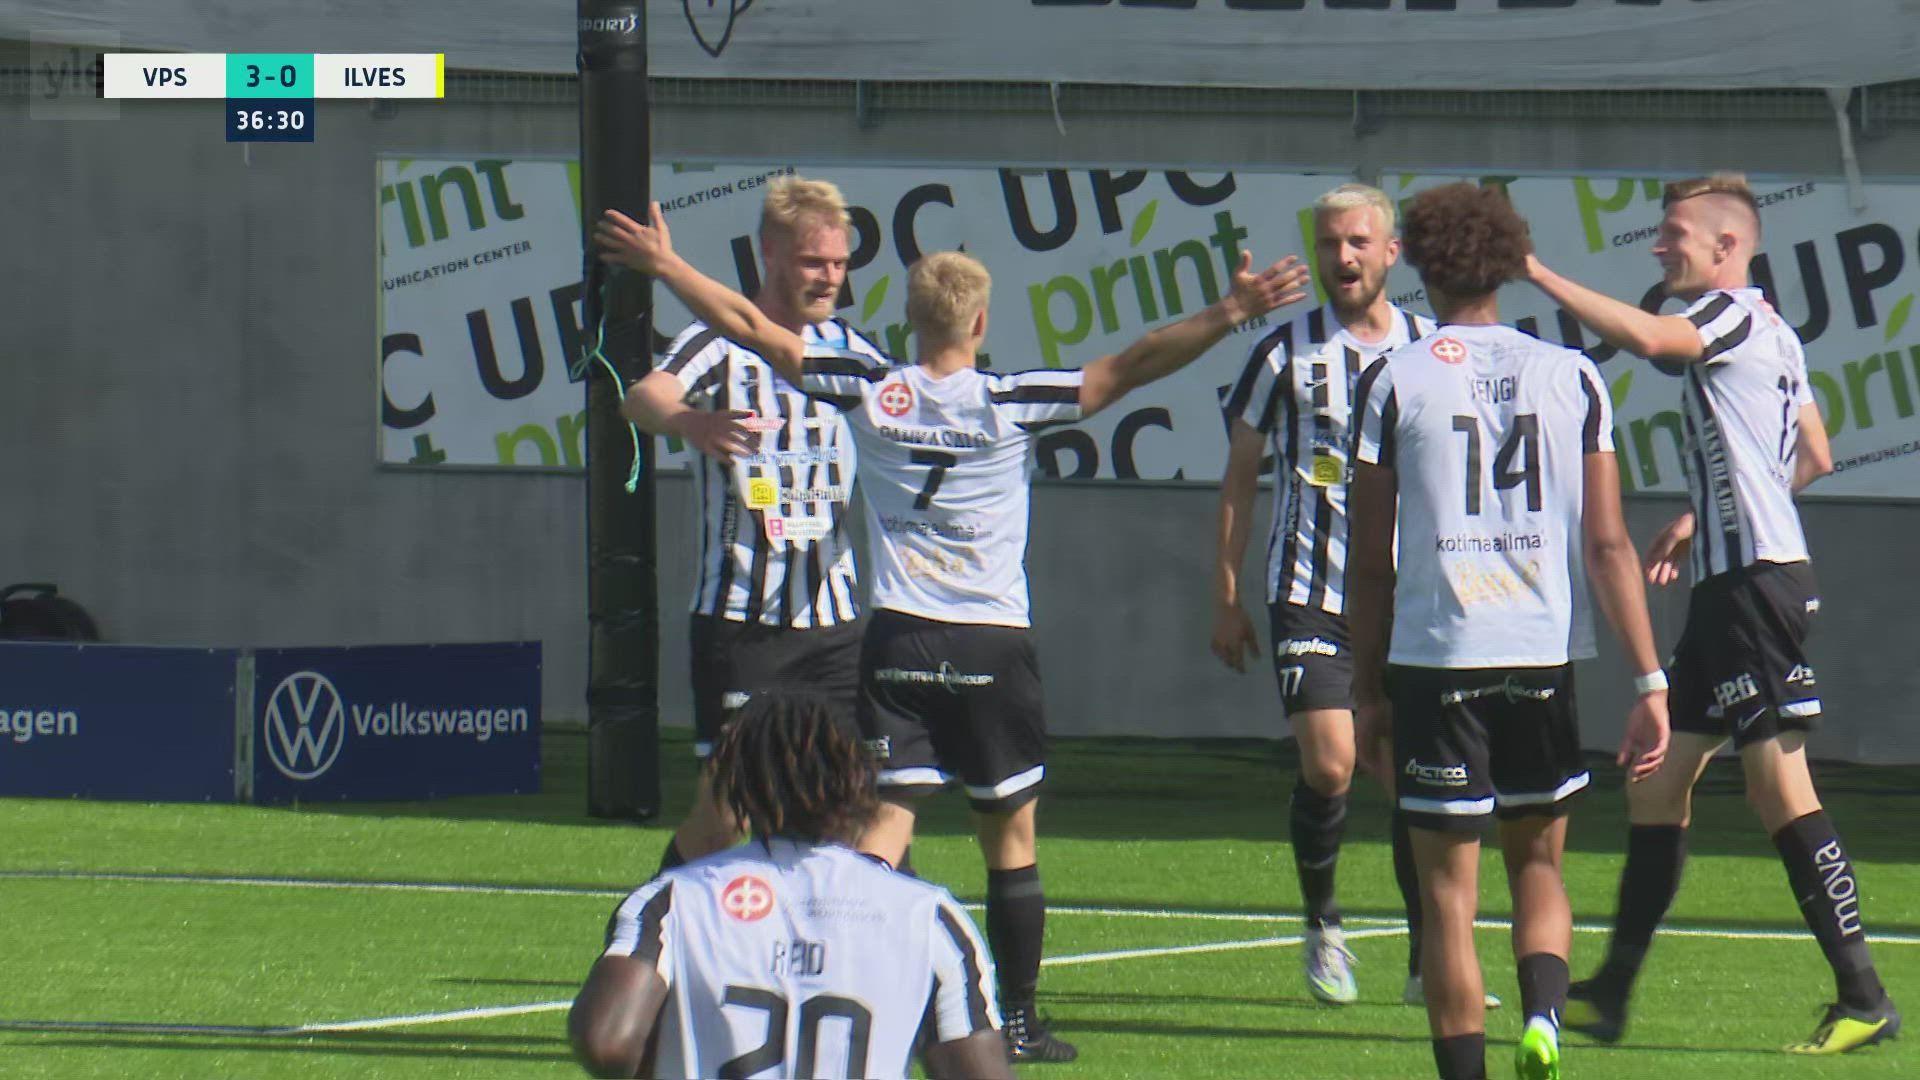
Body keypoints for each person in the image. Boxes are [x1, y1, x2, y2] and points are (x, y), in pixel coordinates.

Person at [597, 202, 1308, 1063]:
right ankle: (1017, 1021)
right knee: (1007, 834)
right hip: (987, 641)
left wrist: (670, 267)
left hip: (894, 640)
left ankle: (846, 986)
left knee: (879, 826)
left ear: (907, 319)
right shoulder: (1010, 400)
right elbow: (1132, 366)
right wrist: (1229, 313)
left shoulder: (871, 390)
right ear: (979, 323)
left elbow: (750, 326)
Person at [1525, 172, 1901, 1055]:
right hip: (1731, 588)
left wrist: (1537, 274)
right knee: (1657, 787)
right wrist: (1705, 518)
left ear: (1728, 247)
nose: (1660, 248)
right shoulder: (1776, 329)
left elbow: (1652, 337)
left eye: (1675, 235)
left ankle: (1865, 996)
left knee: (1780, 787)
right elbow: (1815, 453)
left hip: (1754, 591)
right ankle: (1612, 993)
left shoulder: (1728, 316)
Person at [1346, 182, 1671, 1080]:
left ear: (1416, 261)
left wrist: (1367, 691)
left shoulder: (1394, 378)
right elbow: (1607, 544)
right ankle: (1544, 1019)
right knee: (1539, 865)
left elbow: (1370, 560)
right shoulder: (1573, 376)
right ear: (1508, 263)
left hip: (1437, 657)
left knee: (1449, 900)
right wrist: (1649, 680)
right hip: (1540, 655)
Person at [1213, 182, 1496, 1009]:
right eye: (1330, 243)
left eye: (1358, 243)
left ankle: (1427, 961)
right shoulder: (1283, 354)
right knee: (1333, 762)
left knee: (1412, 777)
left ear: (1390, 253)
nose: (1343, 257)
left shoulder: (1430, 349)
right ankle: (1323, 924)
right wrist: (1225, 593)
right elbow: (1239, 477)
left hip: (1408, 602)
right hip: (1308, 590)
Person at [617, 177, 887, 874]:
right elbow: (642, 397)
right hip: (742, 621)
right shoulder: (717, 345)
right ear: (769, 253)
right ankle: (654, 928)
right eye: (812, 262)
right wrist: (690, 422)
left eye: (839, 263)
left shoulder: (851, 353)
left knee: (852, 813)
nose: (829, 278)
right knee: (725, 816)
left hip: (833, 626)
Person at [568, 693, 1012, 1080]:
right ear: (856, 780)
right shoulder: (926, 915)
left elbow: (607, 1043)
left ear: (735, 782)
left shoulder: (673, 901)